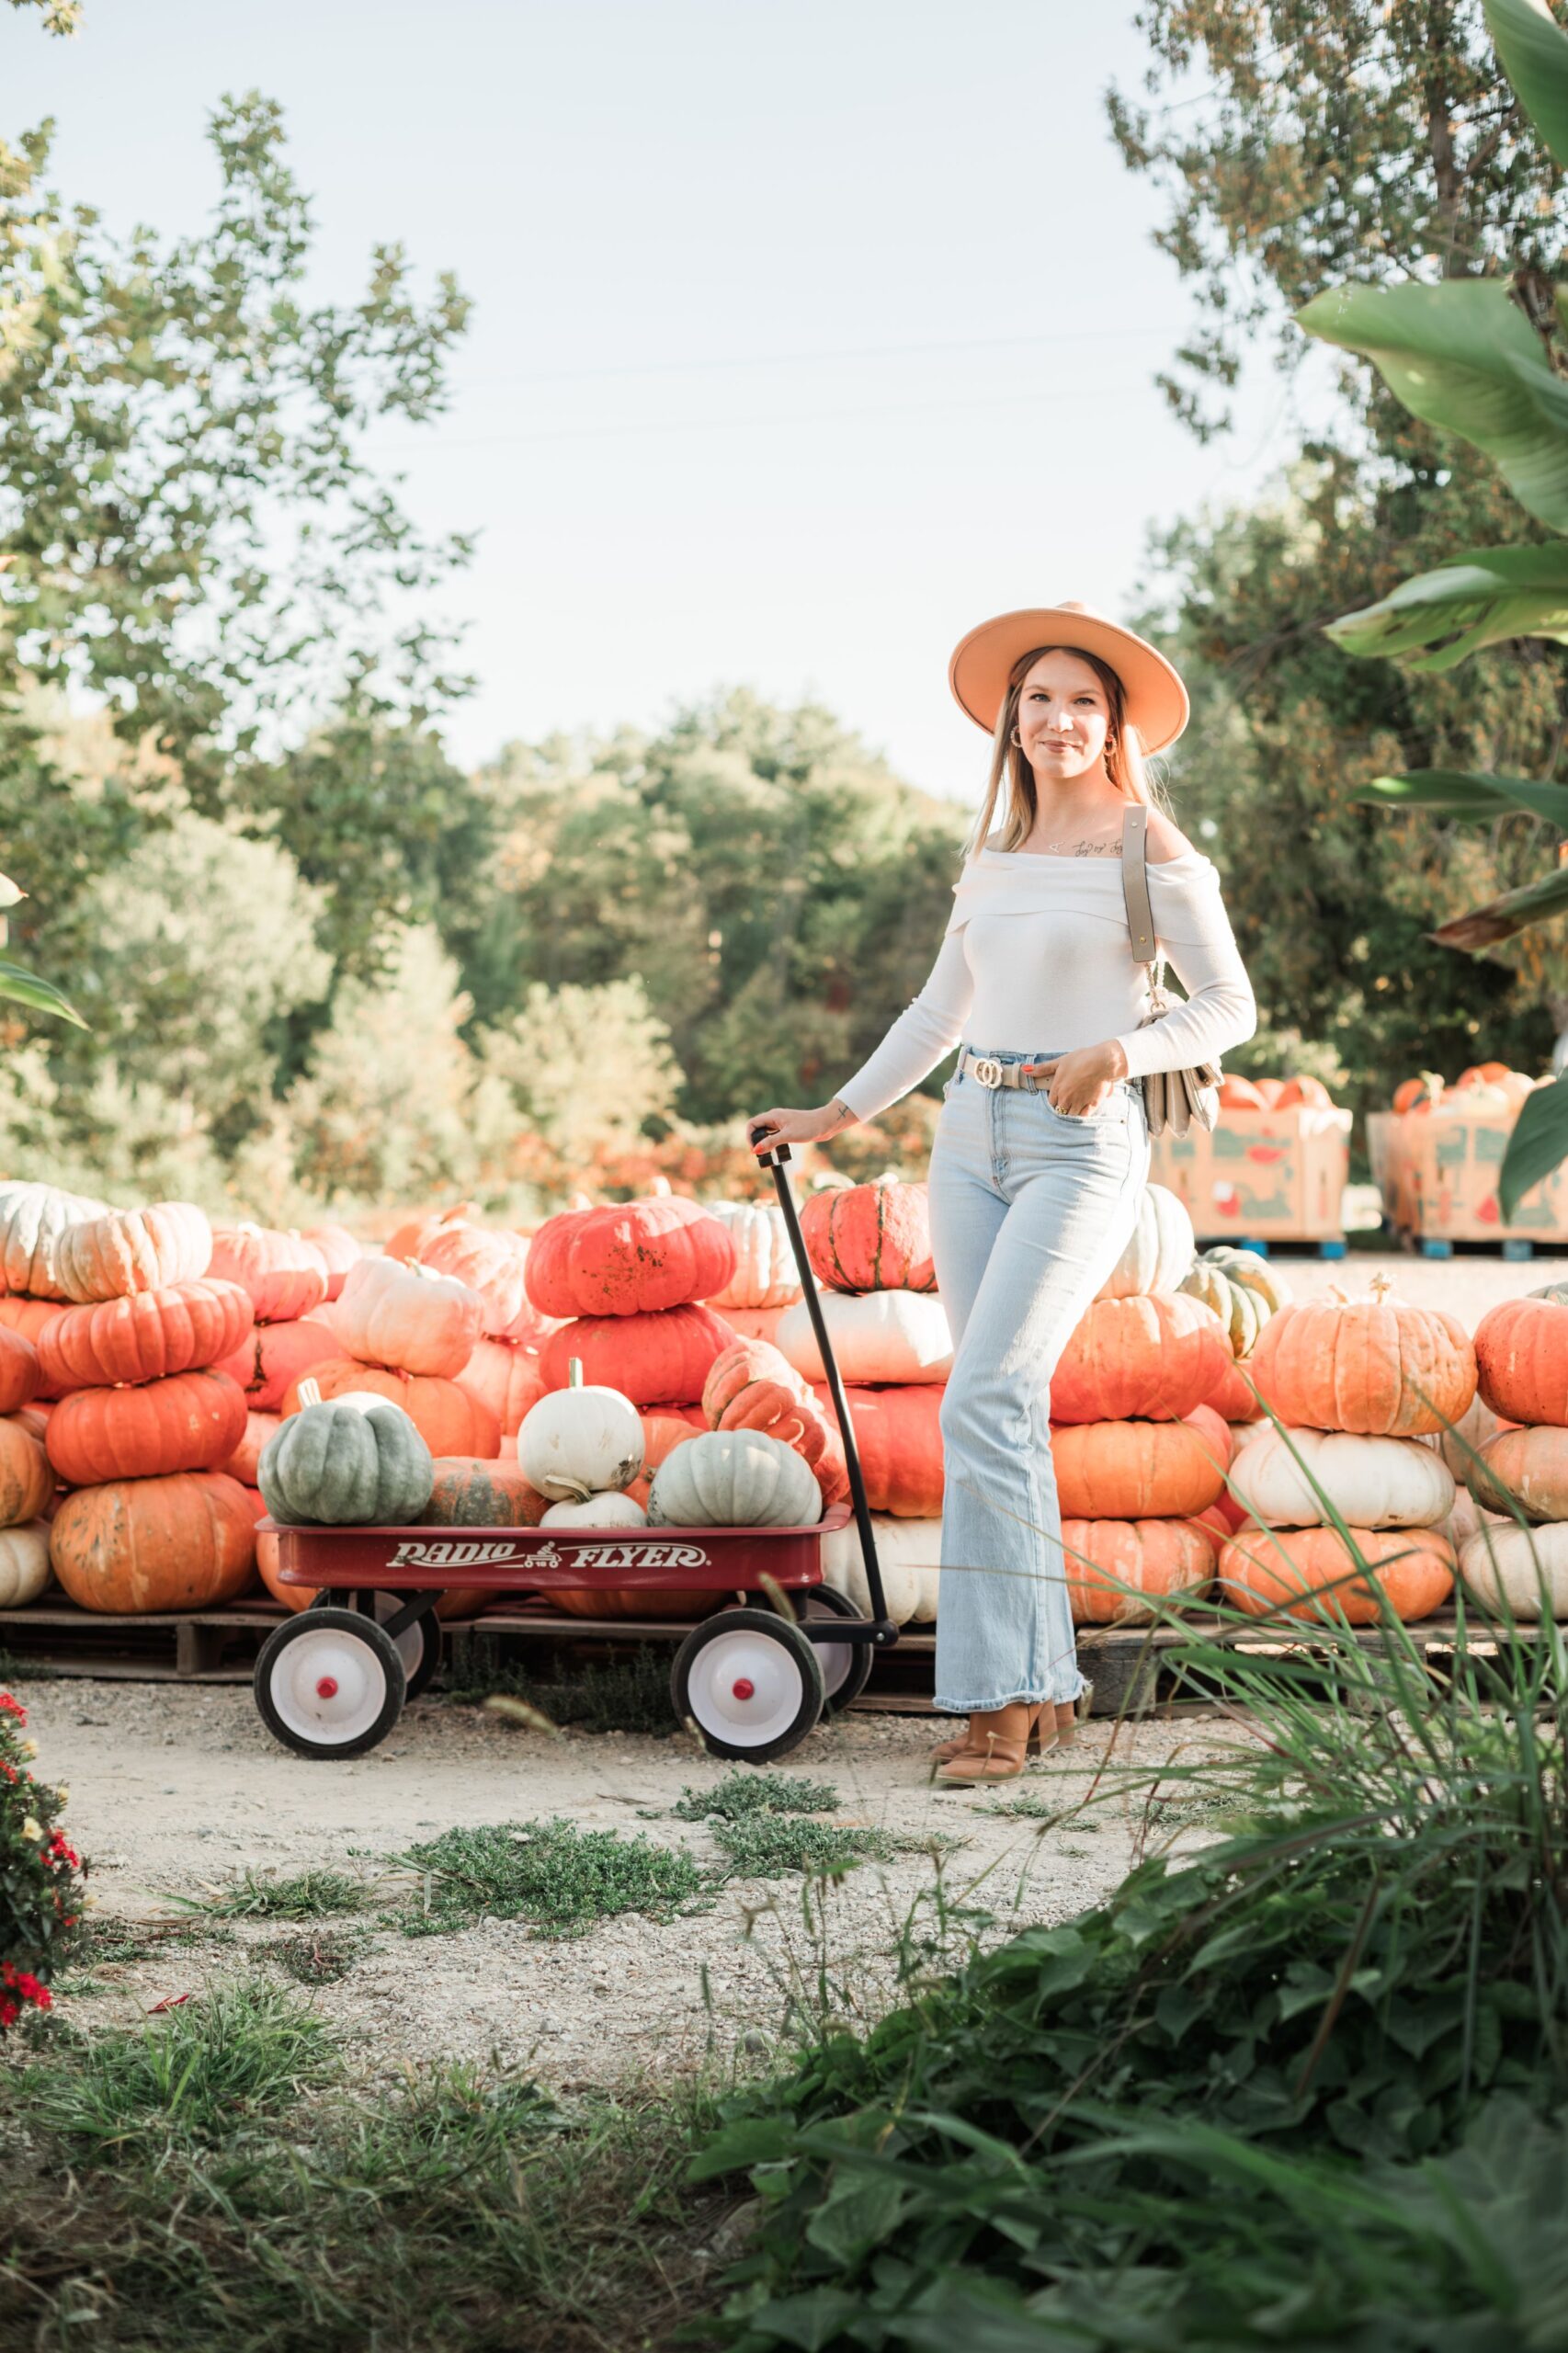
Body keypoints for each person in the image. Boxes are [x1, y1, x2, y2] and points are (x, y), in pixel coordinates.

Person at [744, 602, 1256, 1783]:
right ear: (1009, 720)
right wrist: (834, 1114)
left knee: (984, 1395)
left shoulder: (1150, 848)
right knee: (994, 1411)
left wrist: (1118, 1051)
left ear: (1114, 724)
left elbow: (1227, 1006)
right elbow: (938, 1012)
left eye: (1082, 701)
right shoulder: (991, 854)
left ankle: (996, 1704)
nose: (1058, 719)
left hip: (1082, 1140)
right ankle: (1046, 1681)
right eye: (1038, 699)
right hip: (969, 1130)